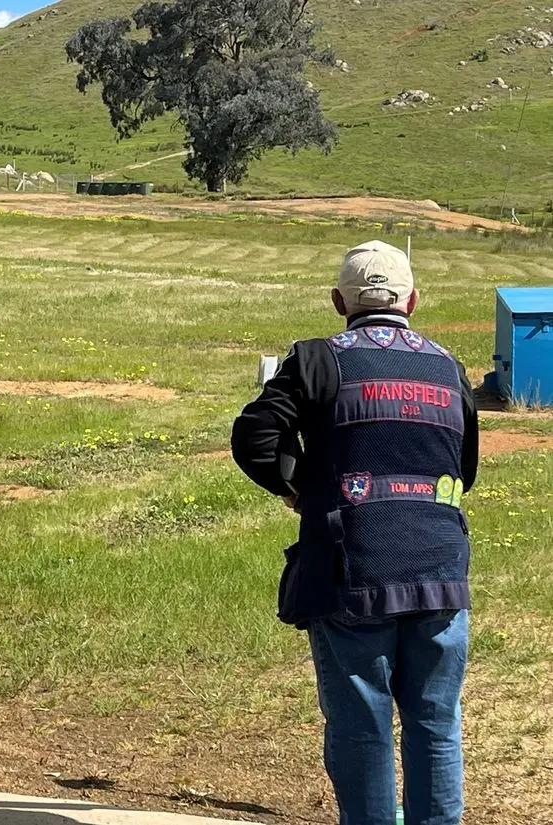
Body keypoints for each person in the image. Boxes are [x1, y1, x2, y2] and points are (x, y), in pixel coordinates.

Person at [231, 240, 479, 825]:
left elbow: (255, 435)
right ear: (412, 301)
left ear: (338, 300)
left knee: (363, 727)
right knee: (436, 724)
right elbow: (463, 470)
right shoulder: (449, 367)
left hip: (354, 569)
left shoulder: (317, 360)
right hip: (441, 572)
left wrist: (297, 489)